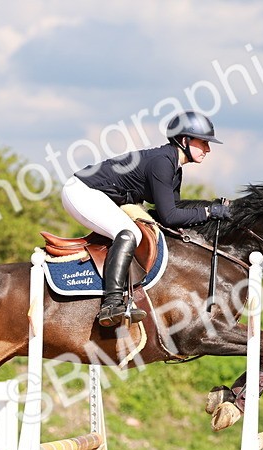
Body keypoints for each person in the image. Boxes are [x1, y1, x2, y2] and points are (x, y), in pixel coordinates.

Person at [61, 110, 232, 327]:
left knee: (138, 230)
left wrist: (209, 207)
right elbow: (170, 217)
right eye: (204, 142)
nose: (208, 149)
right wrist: (209, 212)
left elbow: (169, 211)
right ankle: (111, 304)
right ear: (184, 140)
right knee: (129, 232)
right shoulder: (162, 162)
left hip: (99, 195)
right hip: (82, 192)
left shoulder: (174, 168)